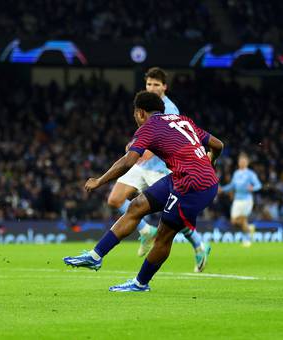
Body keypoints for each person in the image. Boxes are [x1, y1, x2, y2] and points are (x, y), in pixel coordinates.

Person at [63, 91, 223, 292]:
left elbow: (128, 161)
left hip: (193, 185)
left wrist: (100, 181)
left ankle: (140, 283)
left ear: (140, 113)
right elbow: (218, 144)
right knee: (136, 206)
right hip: (184, 177)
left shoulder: (149, 127)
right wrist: (211, 161)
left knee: (165, 234)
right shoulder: (182, 120)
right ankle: (95, 256)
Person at [107, 67, 210, 272]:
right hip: (142, 165)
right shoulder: (146, 105)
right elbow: (145, 133)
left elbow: (164, 141)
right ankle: (145, 231)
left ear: (164, 87)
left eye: (156, 84)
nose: (152, 88)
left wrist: (136, 152)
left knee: (173, 217)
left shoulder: (170, 109)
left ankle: (199, 244)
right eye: (149, 84)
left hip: (162, 169)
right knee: (115, 200)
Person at [220, 153, 262, 247]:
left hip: (247, 199)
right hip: (237, 200)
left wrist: (253, 188)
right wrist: (223, 189)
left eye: (244, 161)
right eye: (240, 161)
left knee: (243, 219)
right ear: (238, 162)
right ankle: (250, 228)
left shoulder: (250, 174)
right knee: (234, 221)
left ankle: (246, 240)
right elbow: (232, 186)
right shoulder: (236, 173)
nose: (242, 163)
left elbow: (259, 185)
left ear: (247, 162)